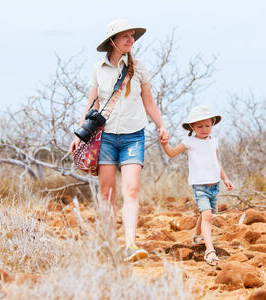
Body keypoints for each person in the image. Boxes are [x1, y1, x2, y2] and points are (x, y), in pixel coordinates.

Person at [69, 19, 169, 262]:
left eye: (132, 36)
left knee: (132, 189)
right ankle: (109, 245)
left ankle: (131, 244)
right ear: (112, 41)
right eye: (125, 36)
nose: (130, 40)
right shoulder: (98, 70)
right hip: (106, 138)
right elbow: (92, 104)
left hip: (134, 135)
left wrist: (161, 124)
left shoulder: (140, 68)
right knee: (107, 193)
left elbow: (149, 102)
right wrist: (79, 135)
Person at [159, 105, 234, 266]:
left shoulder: (214, 141)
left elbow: (217, 162)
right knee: (207, 215)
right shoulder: (189, 141)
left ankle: (196, 235)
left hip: (215, 185)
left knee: (206, 213)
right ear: (192, 127)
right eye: (199, 126)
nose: (204, 129)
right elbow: (172, 153)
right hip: (200, 186)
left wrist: (225, 179)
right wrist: (165, 144)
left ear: (212, 124)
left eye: (207, 125)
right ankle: (210, 251)